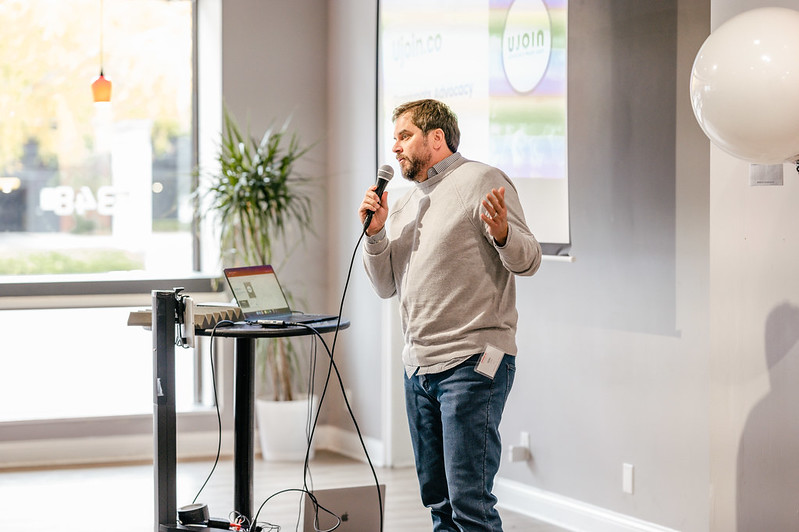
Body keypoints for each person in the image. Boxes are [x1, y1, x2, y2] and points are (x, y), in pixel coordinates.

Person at [358, 99, 542, 531]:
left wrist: (502, 234)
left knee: (470, 504)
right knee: (438, 503)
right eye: (395, 139)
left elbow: (529, 259)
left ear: (436, 138)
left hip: (473, 363)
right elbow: (385, 285)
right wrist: (376, 234)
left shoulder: (482, 179)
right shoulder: (402, 204)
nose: (396, 147)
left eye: (405, 136)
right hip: (418, 369)